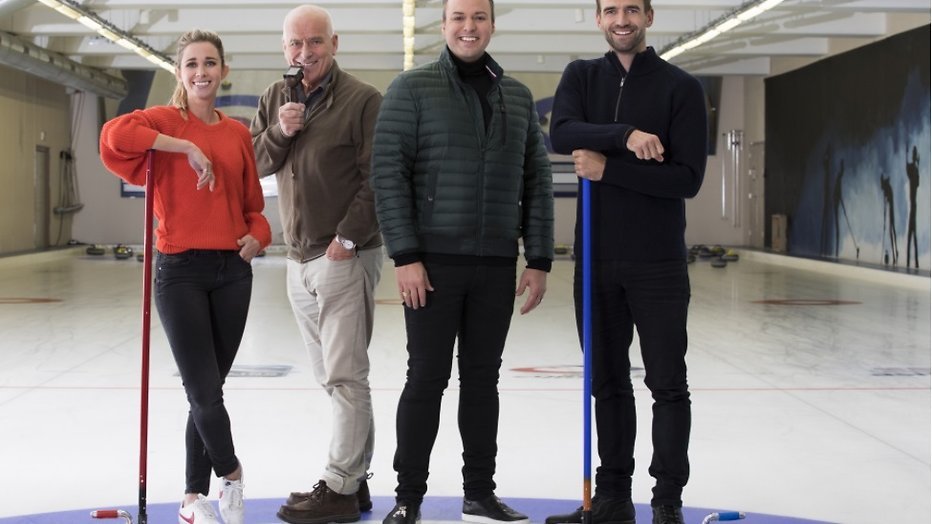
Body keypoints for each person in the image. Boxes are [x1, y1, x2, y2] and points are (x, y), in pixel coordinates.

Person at [370, 0, 554, 522]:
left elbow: (536, 181)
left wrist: (537, 258)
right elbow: (388, 175)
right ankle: (407, 499)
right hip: (431, 265)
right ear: (444, 25)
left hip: (495, 265)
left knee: (482, 380)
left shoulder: (516, 96)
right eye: (458, 18)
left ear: (492, 24)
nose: (468, 27)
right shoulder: (412, 89)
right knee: (426, 377)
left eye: (478, 17)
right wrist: (405, 256)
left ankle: (480, 491)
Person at [99, 29, 272, 524]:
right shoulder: (159, 120)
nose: (202, 72)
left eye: (210, 63)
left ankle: (193, 497)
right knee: (201, 389)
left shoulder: (238, 132)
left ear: (224, 70)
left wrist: (258, 236)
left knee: (210, 387)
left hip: (232, 273)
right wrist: (181, 147)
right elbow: (113, 137)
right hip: (179, 272)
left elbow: (253, 209)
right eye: (192, 63)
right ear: (179, 72)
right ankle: (232, 476)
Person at [544, 1, 707, 523]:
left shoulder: (681, 87)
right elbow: (561, 133)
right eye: (610, 9)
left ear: (648, 17)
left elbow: (686, 180)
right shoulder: (581, 76)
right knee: (606, 382)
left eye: (631, 9)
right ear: (598, 19)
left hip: (657, 262)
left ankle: (666, 502)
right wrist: (626, 138)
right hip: (595, 262)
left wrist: (606, 169)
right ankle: (613, 498)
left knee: (667, 384)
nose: (621, 19)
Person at [249, 5, 383, 524]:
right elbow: (255, 163)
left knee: (347, 375)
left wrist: (347, 240)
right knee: (332, 377)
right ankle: (357, 481)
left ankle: (340, 486)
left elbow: (380, 178)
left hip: (343, 254)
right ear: (284, 49)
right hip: (298, 257)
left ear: (334, 42)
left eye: (315, 43)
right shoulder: (274, 97)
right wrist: (280, 131)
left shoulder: (363, 100)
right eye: (295, 45)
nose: (304, 53)